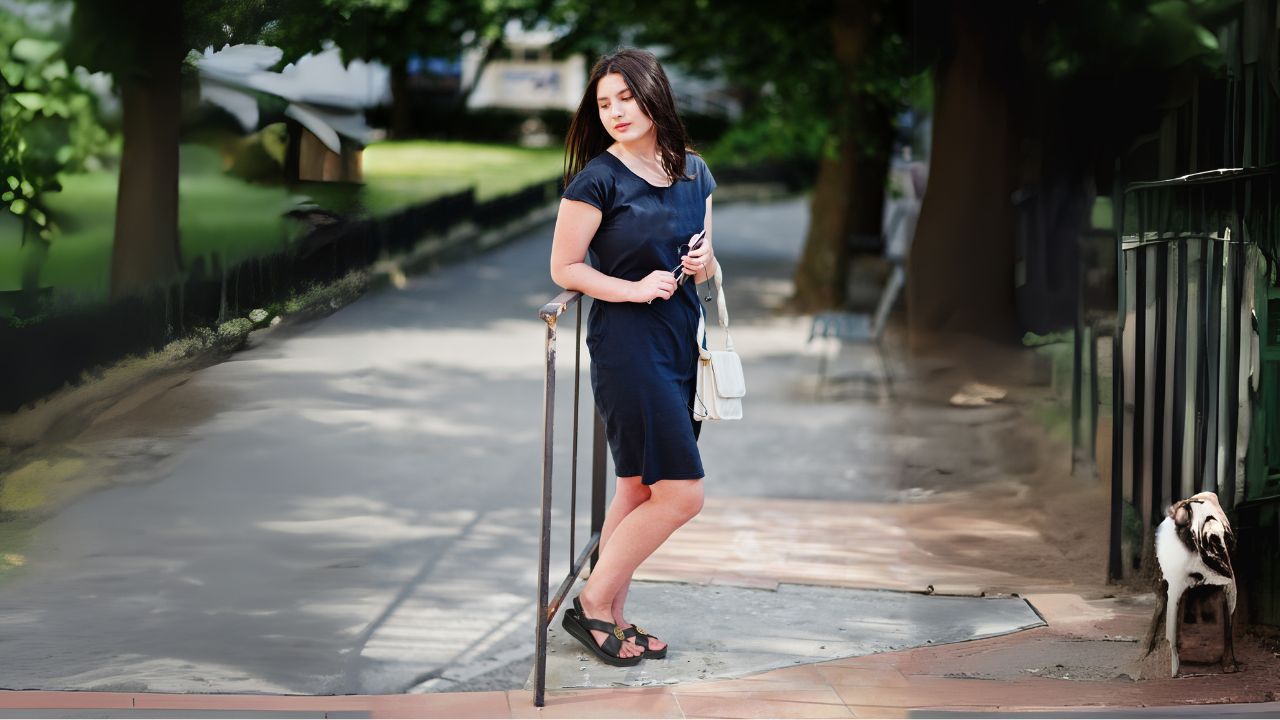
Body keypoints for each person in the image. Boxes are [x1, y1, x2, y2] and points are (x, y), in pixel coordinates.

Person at [548, 47, 717, 666]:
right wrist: (634, 287)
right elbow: (564, 267)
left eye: (626, 97)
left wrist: (703, 265)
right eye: (604, 102)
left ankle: (614, 614)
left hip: (679, 337)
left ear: (654, 97)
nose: (616, 111)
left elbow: (706, 255)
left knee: (638, 484)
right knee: (682, 493)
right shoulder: (597, 179)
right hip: (628, 343)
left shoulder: (694, 172)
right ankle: (593, 604)